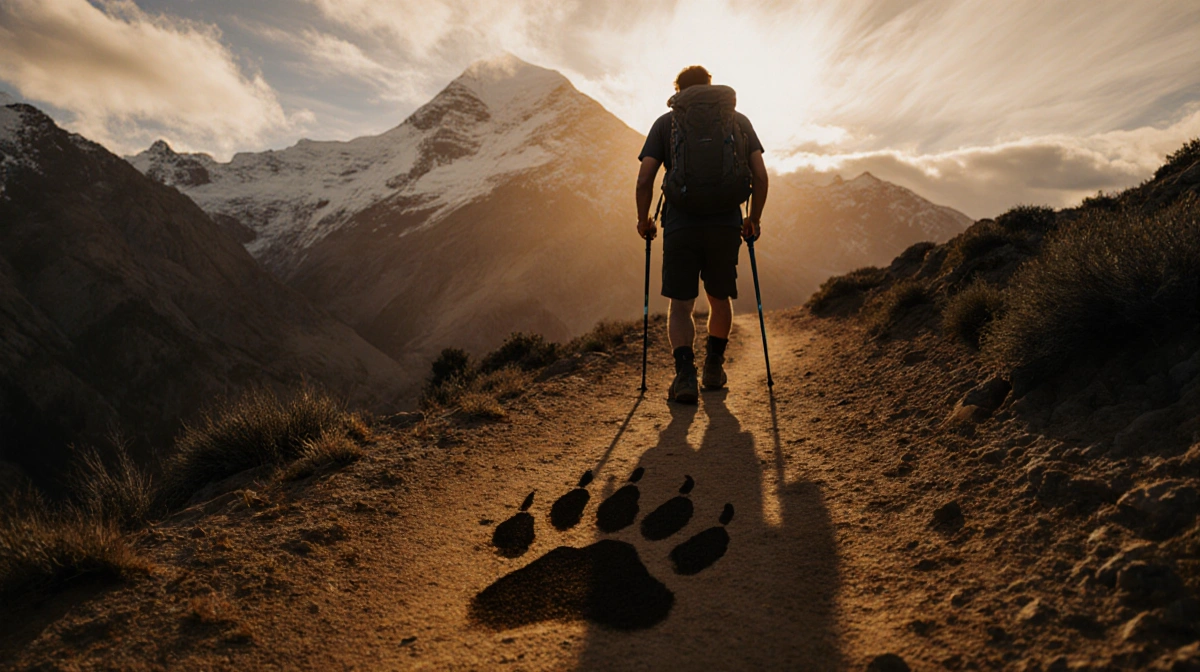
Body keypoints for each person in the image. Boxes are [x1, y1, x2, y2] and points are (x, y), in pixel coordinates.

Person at [635, 65, 769, 404]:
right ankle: (713, 366)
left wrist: (644, 220)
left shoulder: (667, 123)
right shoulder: (737, 121)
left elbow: (644, 179)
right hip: (725, 224)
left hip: (681, 224)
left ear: (679, 91)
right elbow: (761, 176)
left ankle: (684, 377)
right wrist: (753, 218)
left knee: (680, 305)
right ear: (711, 87)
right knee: (719, 298)